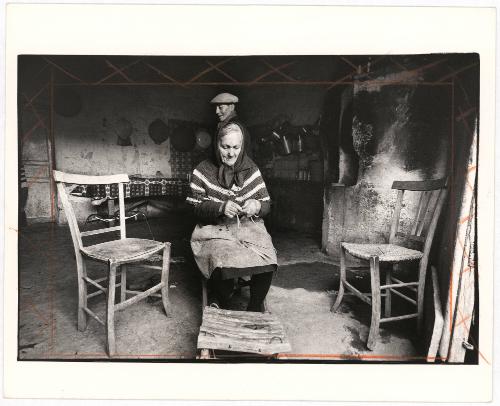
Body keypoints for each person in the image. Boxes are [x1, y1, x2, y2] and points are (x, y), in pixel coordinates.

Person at [187, 122, 276, 312]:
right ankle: (223, 302)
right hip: (213, 229)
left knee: (268, 258)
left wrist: (257, 205)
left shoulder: (251, 169)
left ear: (242, 146)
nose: (231, 153)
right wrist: (220, 207)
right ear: (216, 144)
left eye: (236, 147)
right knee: (222, 259)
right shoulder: (202, 171)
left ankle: (253, 309)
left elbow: (267, 204)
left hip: (247, 227)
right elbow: (193, 207)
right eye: (225, 147)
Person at [210, 92, 252, 157]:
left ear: (231, 107)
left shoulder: (233, 128)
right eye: (216, 108)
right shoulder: (226, 125)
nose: (216, 111)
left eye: (220, 107)